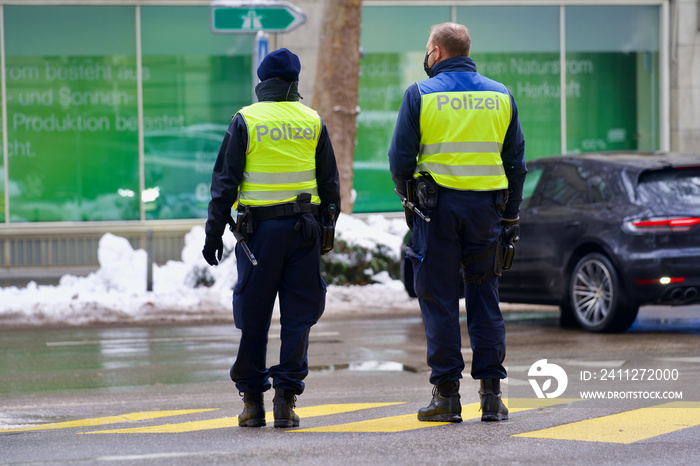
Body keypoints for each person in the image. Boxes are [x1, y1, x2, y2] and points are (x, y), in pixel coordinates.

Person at [388, 22, 526, 422]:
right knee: (485, 299)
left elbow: (400, 161)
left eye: (426, 49)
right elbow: (515, 163)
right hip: (486, 213)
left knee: (440, 300)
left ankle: (446, 397)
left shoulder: (420, 94)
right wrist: (511, 214)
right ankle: (491, 398)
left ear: (437, 51)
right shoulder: (501, 95)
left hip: (436, 212)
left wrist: (409, 201)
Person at [202, 48, 341, 428]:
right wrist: (327, 231)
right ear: (294, 83)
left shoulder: (246, 119)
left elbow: (224, 184)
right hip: (304, 232)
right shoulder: (312, 121)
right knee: (298, 316)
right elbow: (330, 186)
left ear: (262, 83)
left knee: (254, 315)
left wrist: (214, 233)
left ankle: (252, 404)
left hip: (257, 237)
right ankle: (285, 399)